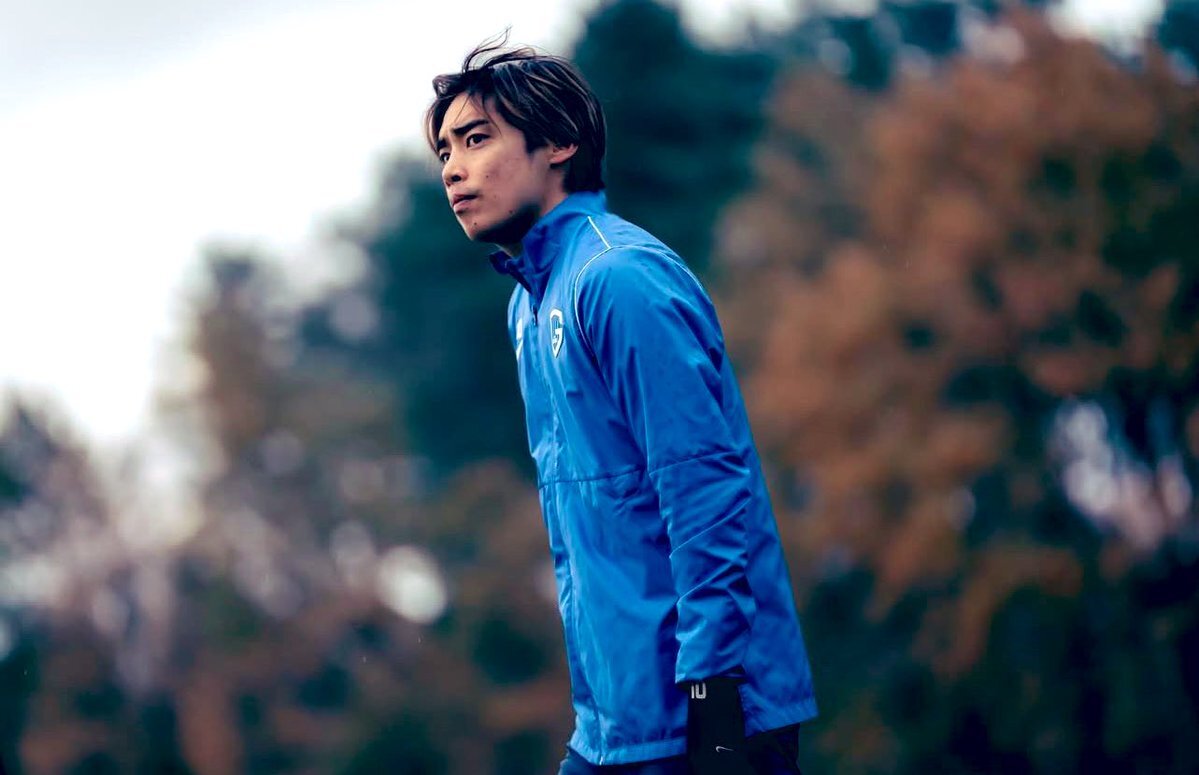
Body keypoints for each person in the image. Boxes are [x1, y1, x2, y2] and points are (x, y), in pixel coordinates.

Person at [426, 37, 817, 774]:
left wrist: (713, 700)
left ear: (558, 144)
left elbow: (703, 489)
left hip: (708, 716)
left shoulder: (618, 277)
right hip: (616, 723)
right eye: (445, 150)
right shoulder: (527, 304)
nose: (452, 168)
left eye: (476, 139)